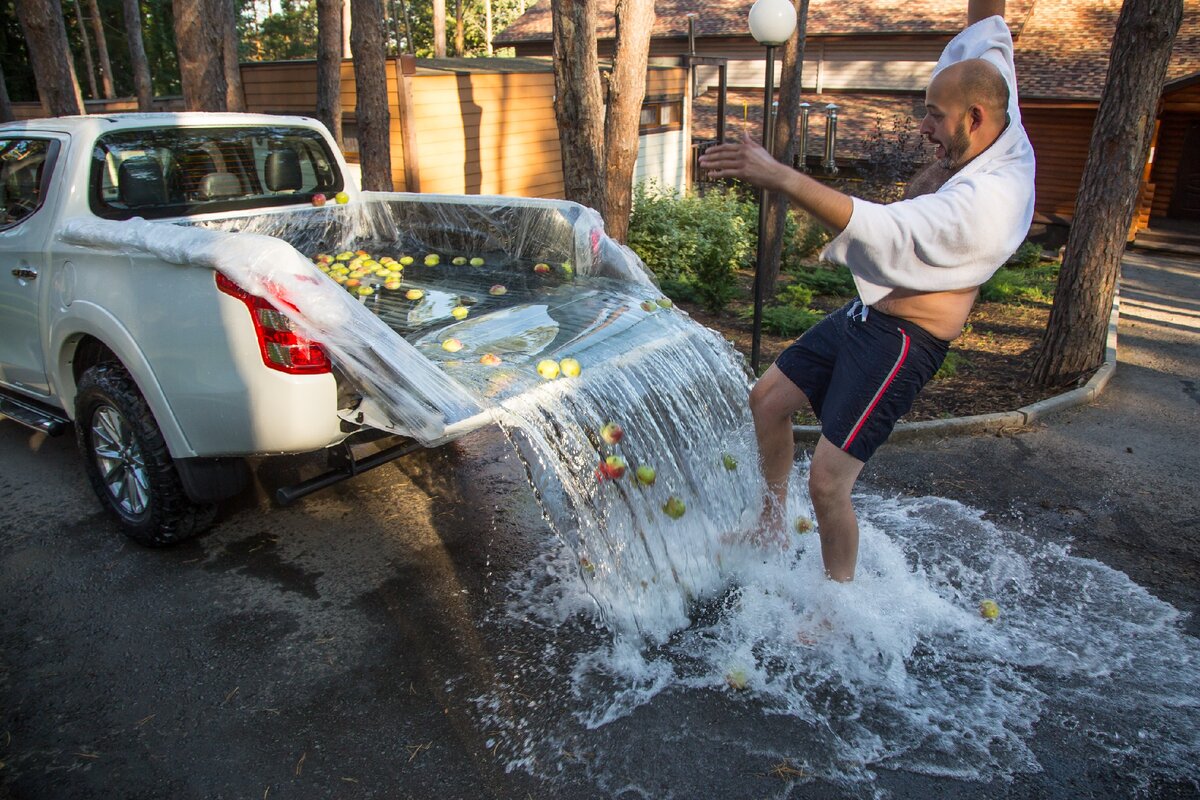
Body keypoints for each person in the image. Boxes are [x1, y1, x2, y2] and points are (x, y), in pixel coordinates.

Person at [698, 0, 1035, 582]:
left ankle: (839, 605)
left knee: (828, 483)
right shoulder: (995, 95)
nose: (924, 128)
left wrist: (780, 175)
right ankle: (771, 523)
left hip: (904, 341)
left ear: (975, 118)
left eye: (934, 116)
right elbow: (989, 29)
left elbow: (884, 230)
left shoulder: (992, 202)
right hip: (866, 315)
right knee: (767, 401)